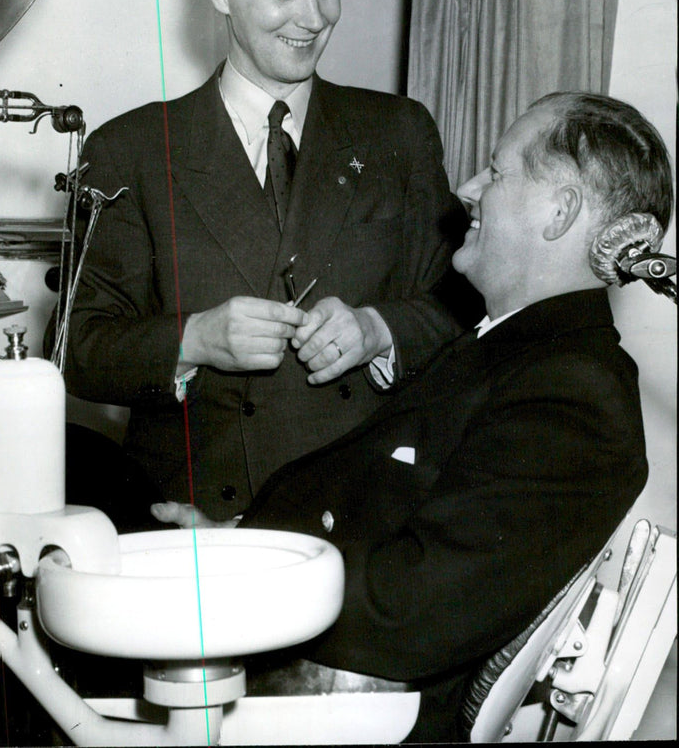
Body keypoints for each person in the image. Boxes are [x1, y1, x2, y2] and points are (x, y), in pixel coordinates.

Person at [154, 91, 674, 741]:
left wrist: (235, 577)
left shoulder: (572, 394)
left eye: (497, 169)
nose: (467, 188)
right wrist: (237, 542)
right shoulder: (515, 352)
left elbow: (410, 613)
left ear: (560, 211)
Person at [61, 0, 476, 520]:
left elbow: (466, 301)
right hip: (191, 521)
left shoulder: (399, 131)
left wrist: (377, 329)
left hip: (363, 516)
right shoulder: (132, 150)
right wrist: (193, 338)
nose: (313, 18)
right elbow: (75, 349)